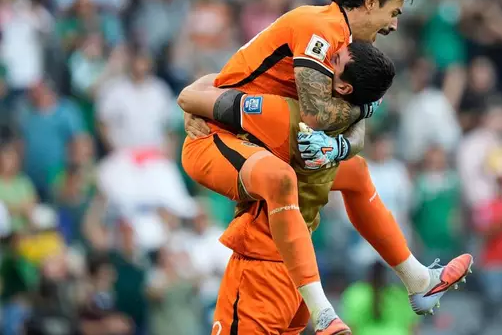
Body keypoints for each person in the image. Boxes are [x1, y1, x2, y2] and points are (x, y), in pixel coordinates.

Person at [179, 41, 472, 335]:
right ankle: (415, 278)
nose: (324, 60)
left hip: (260, 267)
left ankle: (327, 312)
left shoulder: (284, 110)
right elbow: (359, 128)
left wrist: (191, 106)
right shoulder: (350, 116)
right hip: (303, 272)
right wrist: (342, 145)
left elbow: (197, 96)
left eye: (335, 60)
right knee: (356, 172)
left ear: (343, 87)